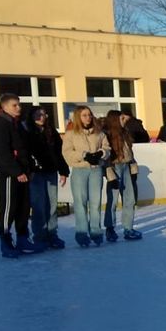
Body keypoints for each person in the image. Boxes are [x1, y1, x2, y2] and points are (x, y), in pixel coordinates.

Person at [0, 93, 39, 257]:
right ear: (4, 107)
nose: (18, 108)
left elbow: (24, 149)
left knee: (24, 207)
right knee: (9, 207)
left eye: (19, 105)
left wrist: (29, 169)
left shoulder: (16, 124)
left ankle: (23, 238)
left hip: (23, 172)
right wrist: (16, 172)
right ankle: (5, 240)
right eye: (14, 105)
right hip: (9, 174)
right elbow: (3, 153)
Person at [62, 105, 110, 247]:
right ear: (78, 117)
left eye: (89, 114)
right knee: (80, 202)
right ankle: (82, 233)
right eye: (84, 115)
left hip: (96, 170)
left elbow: (107, 147)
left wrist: (101, 153)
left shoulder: (99, 133)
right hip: (79, 170)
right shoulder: (71, 134)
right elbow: (67, 153)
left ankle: (96, 231)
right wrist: (84, 155)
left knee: (95, 203)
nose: (88, 117)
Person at [24, 107, 69, 249]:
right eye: (38, 114)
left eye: (44, 114)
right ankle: (40, 236)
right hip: (35, 173)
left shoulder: (51, 132)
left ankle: (52, 233)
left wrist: (63, 171)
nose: (41, 117)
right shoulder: (27, 132)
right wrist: (29, 170)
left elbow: (59, 153)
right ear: (31, 116)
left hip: (51, 171)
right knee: (38, 206)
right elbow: (25, 153)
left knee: (52, 204)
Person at [101, 110, 142, 241]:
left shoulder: (125, 133)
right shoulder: (107, 135)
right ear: (115, 120)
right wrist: (109, 173)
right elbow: (105, 157)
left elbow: (129, 153)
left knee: (129, 200)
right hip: (114, 167)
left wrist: (134, 167)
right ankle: (110, 228)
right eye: (122, 118)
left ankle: (128, 228)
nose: (125, 120)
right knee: (112, 200)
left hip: (126, 167)